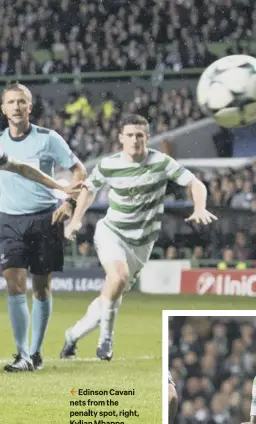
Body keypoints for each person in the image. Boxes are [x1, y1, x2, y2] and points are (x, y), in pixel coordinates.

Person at [60, 114, 217, 361]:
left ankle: (71, 336)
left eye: (140, 135)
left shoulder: (162, 162)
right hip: (111, 232)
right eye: (130, 135)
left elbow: (195, 183)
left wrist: (200, 207)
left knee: (110, 294)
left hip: (142, 244)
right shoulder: (109, 164)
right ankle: (106, 341)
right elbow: (88, 191)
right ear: (121, 138)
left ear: (147, 138)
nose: (135, 140)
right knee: (118, 277)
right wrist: (76, 219)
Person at [0, 83, 87, 372]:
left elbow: (79, 170)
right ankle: (22, 353)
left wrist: (69, 203)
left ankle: (35, 353)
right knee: (13, 285)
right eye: (10, 102)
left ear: (30, 106)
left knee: (40, 288)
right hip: (9, 220)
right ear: (3, 109)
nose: (15, 107)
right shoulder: (0, 142)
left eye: (20, 102)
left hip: (44, 218)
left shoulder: (49, 139)